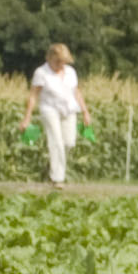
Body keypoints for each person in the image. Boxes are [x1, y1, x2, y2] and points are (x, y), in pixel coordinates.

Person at [19, 43, 90, 186]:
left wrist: (85, 112)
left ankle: (52, 166)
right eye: (58, 61)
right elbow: (33, 96)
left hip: (69, 109)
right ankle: (58, 179)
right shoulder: (41, 73)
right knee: (56, 141)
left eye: (63, 61)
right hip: (49, 109)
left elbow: (76, 92)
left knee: (69, 142)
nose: (61, 64)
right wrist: (27, 117)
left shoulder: (71, 72)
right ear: (50, 58)